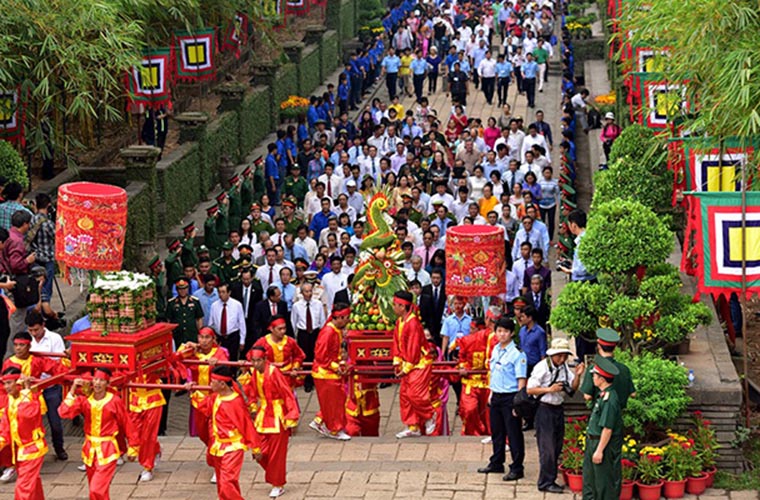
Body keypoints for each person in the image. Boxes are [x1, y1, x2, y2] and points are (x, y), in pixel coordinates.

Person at [59, 369, 129, 500]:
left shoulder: (114, 401)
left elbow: (126, 423)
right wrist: (73, 388)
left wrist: (133, 447)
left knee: (97, 489)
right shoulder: (84, 401)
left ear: (107, 384)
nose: (97, 383)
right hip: (89, 450)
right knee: (96, 490)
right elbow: (64, 412)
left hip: (107, 449)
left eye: (101, 380)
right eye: (95, 379)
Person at [239, 346, 300, 499]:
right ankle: (274, 476)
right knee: (258, 451)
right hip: (262, 415)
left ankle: (277, 483)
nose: (255, 364)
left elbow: (287, 393)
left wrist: (291, 414)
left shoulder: (274, 372)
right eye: (253, 361)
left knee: (277, 454)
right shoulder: (254, 373)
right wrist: (252, 406)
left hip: (278, 416)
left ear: (265, 359)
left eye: (258, 360)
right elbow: (251, 392)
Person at [527, 338, 585, 494]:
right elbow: (530, 389)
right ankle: (545, 482)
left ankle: (551, 478)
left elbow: (572, 389)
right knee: (548, 448)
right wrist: (549, 389)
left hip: (558, 409)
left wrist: (578, 375)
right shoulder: (542, 368)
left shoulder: (564, 367)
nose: (562, 359)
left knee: (557, 445)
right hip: (544, 409)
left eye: (564, 356)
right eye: (559, 355)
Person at [191, 366, 257, 500]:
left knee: (227, 482)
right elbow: (205, 406)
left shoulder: (236, 402)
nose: (210, 384)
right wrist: (193, 391)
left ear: (222, 384)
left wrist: (256, 447)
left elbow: (247, 425)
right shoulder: (216, 397)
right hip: (218, 445)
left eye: (212, 381)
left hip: (233, 447)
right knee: (223, 483)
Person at [174, 327, 228, 484]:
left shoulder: (220, 353)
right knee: (203, 433)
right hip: (199, 399)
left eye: (207, 338)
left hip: (215, 400)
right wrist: (187, 346)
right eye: (201, 337)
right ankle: (214, 459)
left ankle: (217, 467)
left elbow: (227, 371)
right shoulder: (193, 352)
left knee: (214, 434)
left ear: (213, 339)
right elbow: (176, 358)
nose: (204, 341)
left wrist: (217, 365)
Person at [478, 317, 526, 481]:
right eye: (499, 331)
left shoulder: (517, 354)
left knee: (513, 434)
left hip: (511, 397)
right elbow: (494, 373)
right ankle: (497, 462)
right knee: (497, 432)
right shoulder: (496, 349)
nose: (502, 334)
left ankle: (517, 467)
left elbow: (521, 380)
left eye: (505, 331)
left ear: (512, 333)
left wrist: (518, 403)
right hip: (496, 395)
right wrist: (491, 393)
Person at [392, 291, 436, 438]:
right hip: (407, 363)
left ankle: (429, 416)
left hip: (419, 364)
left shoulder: (413, 323)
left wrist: (406, 368)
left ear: (402, 306)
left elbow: (414, 348)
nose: (393, 307)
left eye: (395, 305)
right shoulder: (400, 322)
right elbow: (396, 344)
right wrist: (397, 362)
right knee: (404, 395)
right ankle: (412, 426)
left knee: (415, 394)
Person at [0, 368, 48, 499]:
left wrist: (27, 389)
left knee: (23, 488)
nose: (6, 387)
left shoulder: (33, 396)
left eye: (9, 383)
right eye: (4, 383)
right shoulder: (9, 400)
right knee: (32, 483)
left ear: (18, 382)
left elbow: (28, 414)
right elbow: (5, 426)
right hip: (20, 451)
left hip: (33, 449)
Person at [26, 310, 67, 460]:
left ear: (43, 325)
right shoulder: (26, 339)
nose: (34, 333)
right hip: (32, 387)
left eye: (36, 329)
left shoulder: (54, 338)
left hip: (50, 385)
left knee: (55, 420)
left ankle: (59, 447)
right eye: (31, 330)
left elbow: (58, 363)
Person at [581, 357, 623, 500]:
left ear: (602, 379)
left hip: (602, 444)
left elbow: (607, 428)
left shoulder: (610, 399)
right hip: (593, 442)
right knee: (590, 482)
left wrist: (599, 450)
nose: (592, 377)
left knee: (603, 485)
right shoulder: (602, 395)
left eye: (594, 375)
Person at [310, 303, 352, 440]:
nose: (348, 321)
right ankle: (334, 429)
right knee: (334, 402)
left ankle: (320, 421)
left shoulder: (335, 330)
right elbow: (321, 356)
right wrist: (336, 366)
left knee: (335, 400)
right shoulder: (328, 332)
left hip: (329, 370)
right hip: (324, 372)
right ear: (339, 317)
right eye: (346, 318)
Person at [559, 209, 597, 358]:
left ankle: (583, 356)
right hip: (588, 282)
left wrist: (570, 271)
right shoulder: (587, 239)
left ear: (573, 225)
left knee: (582, 322)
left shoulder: (583, 241)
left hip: (584, 283)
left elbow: (583, 269)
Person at [456, 310, 499, 436]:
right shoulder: (470, 340)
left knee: (490, 411)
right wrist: (462, 366)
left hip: (491, 381)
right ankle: (473, 432)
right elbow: (462, 357)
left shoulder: (499, 339)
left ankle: (492, 434)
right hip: (472, 381)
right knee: (470, 409)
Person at [252, 316, 306, 390]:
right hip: (270, 378)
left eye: (284, 328)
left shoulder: (290, 341)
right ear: (271, 329)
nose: (283, 331)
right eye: (280, 329)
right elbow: (251, 357)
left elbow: (299, 355)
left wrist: (295, 368)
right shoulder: (262, 342)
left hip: (287, 378)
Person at [291, 282, 326, 393]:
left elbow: (322, 320)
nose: (309, 293)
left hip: (315, 333)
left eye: (310, 291)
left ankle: (316, 379)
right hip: (303, 333)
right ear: (301, 293)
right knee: (305, 357)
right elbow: (293, 321)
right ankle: (307, 382)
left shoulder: (318, 304)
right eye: (306, 291)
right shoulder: (296, 306)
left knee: (315, 356)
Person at [166, 279, 204, 347]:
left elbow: (199, 318)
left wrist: (200, 333)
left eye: (184, 288)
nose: (182, 291)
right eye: (180, 289)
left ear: (188, 288)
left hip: (192, 334)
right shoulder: (171, 303)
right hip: (177, 335)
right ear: (177, 290)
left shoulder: (195, 301)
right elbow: (169, 320)